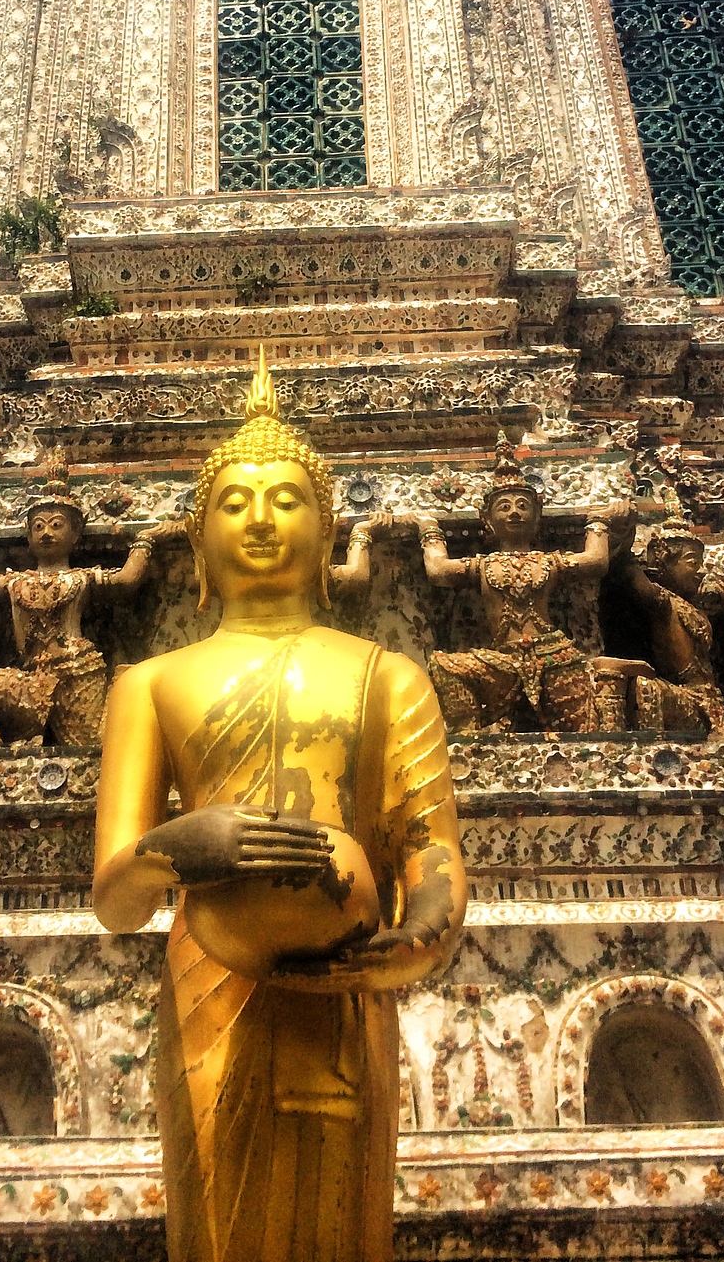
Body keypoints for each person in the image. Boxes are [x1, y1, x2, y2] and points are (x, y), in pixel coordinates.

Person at [93, 349, 465, 1262]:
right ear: (197, 548)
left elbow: (431, 850)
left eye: (288, 498)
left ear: (329, 531)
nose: (260, 518)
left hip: (347, 981)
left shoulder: (388, 675)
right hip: (208, 977)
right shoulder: (149, 683)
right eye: (234, 502)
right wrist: (186, 843)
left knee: (345, 1220)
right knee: (214, 1219)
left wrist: (414, 942)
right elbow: (114, 894)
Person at [415, 442, 628, 733]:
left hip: (554, 654)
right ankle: (467, 736)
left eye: (522, 506)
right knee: (444, 665)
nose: (514, 513)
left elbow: (595, 561)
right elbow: (439, 570)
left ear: (536, 518)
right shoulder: (483, 565)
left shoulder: (549, 562)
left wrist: (599, 520)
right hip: (504, 659)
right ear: (487, 521)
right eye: (504, 507)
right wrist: (428, 527)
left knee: (583, 724)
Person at [0, 494, 172, 748]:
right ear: (28, 537)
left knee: (94, 749)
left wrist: (145, 540)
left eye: (56, 525)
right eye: (38, 526)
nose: (46, 533)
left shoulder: (81, 578)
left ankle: (124, 693)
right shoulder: (14, 581)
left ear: (76, 534)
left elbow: (125, 580)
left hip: (77, 674)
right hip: (32, 681)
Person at [611, 524, 724, 734]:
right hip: (686, 692)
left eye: (701, 563)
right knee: (645, 687)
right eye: (692, 562)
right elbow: (634, 580)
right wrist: (622, 539)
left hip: (707, 695)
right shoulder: (663, 601)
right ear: (664, 563)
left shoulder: (693, 608)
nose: (700, 571)